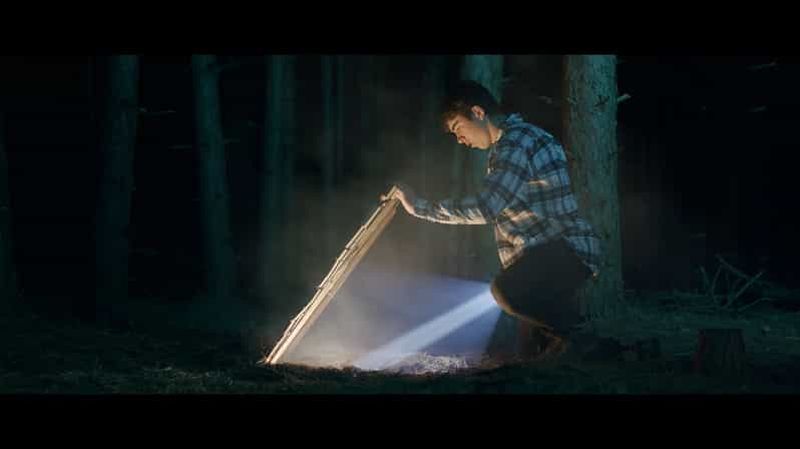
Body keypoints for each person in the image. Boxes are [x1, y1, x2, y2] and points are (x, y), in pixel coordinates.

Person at [386, 80, 602, 362]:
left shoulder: (517, 142)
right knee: (529, 355)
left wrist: (420, 208)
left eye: (457, 129)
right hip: (543, 258)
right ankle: (583, 350)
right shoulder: (510, 145)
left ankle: (589, 340)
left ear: (477, 112)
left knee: (505, 291)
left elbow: (488, 207)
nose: (460, 140)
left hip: (565, 251)